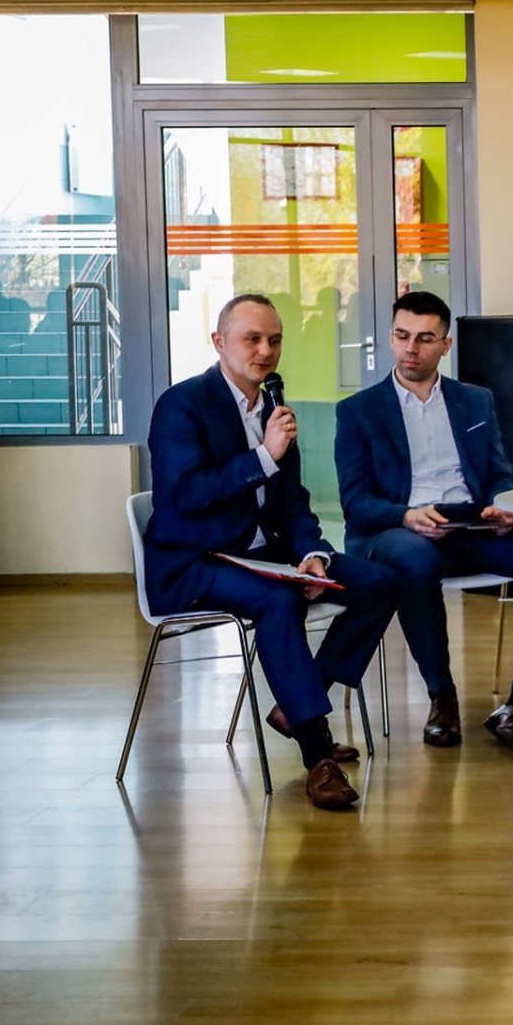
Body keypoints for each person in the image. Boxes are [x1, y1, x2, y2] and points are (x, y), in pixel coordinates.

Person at [143, 294, 400, 811]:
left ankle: (295, 707)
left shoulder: (274, 410)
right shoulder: (182, 404)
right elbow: (183, 495)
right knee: (279, 600)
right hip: (195, 560)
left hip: (264, 554)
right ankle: (317, 754)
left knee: (380, 582)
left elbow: (292, 503)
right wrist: (264, 456)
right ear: (219, 342)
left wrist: (313, 554)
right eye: (252, 339)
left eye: (275, 340)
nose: (265, 351)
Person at [334, 291, 513, 749]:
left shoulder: (474, 401)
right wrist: (407, 515)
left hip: (468, 521)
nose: (411, 348)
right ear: (391, 337)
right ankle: (441, 696)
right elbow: (356, 502)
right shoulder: (358, 411)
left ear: (445, 345)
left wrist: (502, 505)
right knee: (416, 560)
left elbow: (499, 473)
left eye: (425, 339)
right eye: (402, 336)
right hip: (396, 528)